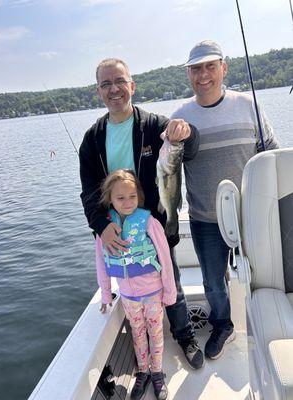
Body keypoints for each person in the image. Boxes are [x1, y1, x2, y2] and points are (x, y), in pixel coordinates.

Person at [79, 58, 204, 369]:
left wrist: (184, 132)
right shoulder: (92, 140)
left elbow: (189, 148)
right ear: (99, 92)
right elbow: (89, 192)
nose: (114, 89)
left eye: (119, 81)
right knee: (130, 284)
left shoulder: (152, 125)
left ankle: (184, 334)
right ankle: (142, 346)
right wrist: (100, 227)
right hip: (117, 230)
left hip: (155, 226)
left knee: (168, 277)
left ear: (132, 86)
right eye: (106, 84)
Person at [171, 40, 279, 360]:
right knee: (212, 282)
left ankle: (270, 324)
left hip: (251, 213)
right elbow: (166, 168)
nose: (203, 75)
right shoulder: (179, 117)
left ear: (223, 68)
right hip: (204, 217)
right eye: (195, 69)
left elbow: (271, 153)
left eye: (210, 66)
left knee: (264, 273)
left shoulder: (248, 105)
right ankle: (222, 324)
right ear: (189, 75)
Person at [96, 169, 176, 400]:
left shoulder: (149, 222)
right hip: (128, 296)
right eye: (120, 198)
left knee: (156, 333)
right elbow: (101, 264)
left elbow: (165, 259)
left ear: (139, 196)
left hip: (153, 293)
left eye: (132, 196)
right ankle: (143, 372)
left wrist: (170, 292)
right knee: (138, 334)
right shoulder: (106, 229)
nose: (127, 202)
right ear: (109, 199)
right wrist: (105, 295)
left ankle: (158, 373)